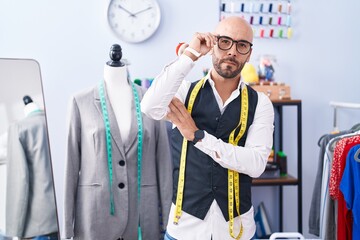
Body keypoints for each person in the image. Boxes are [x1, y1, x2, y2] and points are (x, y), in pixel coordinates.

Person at [141, 17, 274, 240]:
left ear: (249, 54)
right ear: (213, 44)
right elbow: (149, 107)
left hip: (237, 231)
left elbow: (256, 164)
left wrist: (197, 136)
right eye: (225, 41)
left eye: (241, 45)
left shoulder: (261, 103)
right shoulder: (184, 92)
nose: (232, 51)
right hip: (184, 229)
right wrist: (190, 55)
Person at [63, 44, 173, 240]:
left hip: (142, 215)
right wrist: (67, 227)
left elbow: (164, 165)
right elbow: (71, 167)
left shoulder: (151, 101)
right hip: (95, 216)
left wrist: (167, 221)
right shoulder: (80, 102)